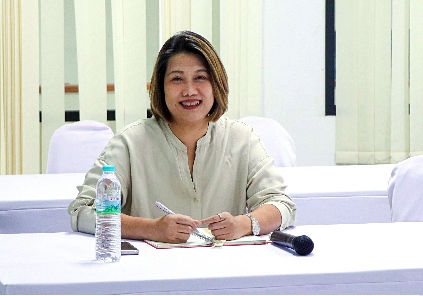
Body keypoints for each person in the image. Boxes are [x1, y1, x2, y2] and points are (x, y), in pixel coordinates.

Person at [68, 30, 296, 243]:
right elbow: (83, 211)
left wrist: (243, 224)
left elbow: (281, 205)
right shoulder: (130, 142)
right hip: (149, 267)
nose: (189, 91)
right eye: (177, 79)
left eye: (200, 77)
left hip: (223, 265)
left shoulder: (241, 138)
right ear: (161, 87)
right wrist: (152, 229)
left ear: (217, 84)